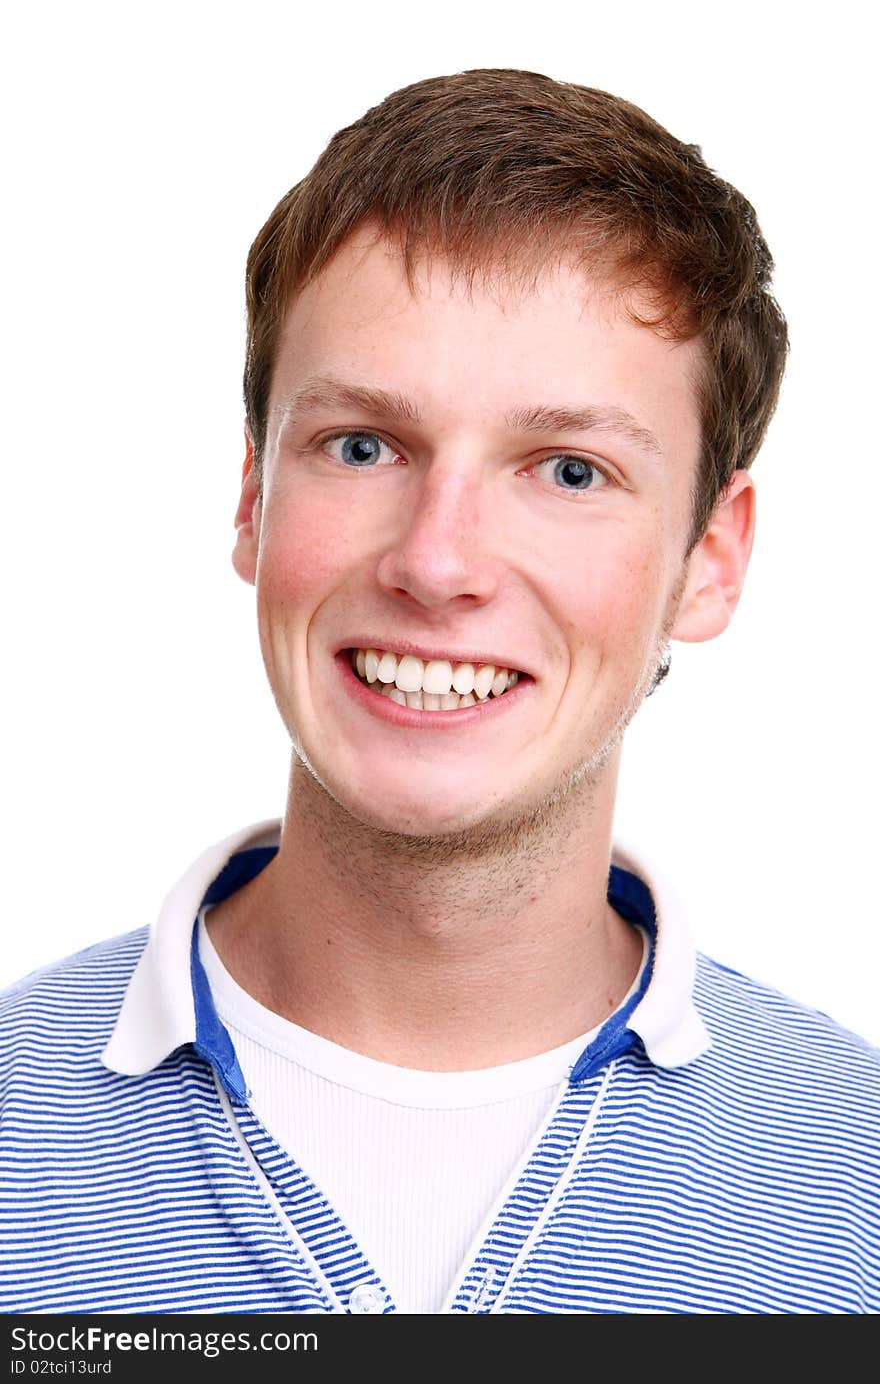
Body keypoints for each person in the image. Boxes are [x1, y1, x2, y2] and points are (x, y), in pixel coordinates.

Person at [1, 67, 878, 1318]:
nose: (435, 560)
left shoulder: (858, 1186)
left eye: (567, 470)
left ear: (710, 559)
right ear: (253, 498)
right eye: (362, 445)